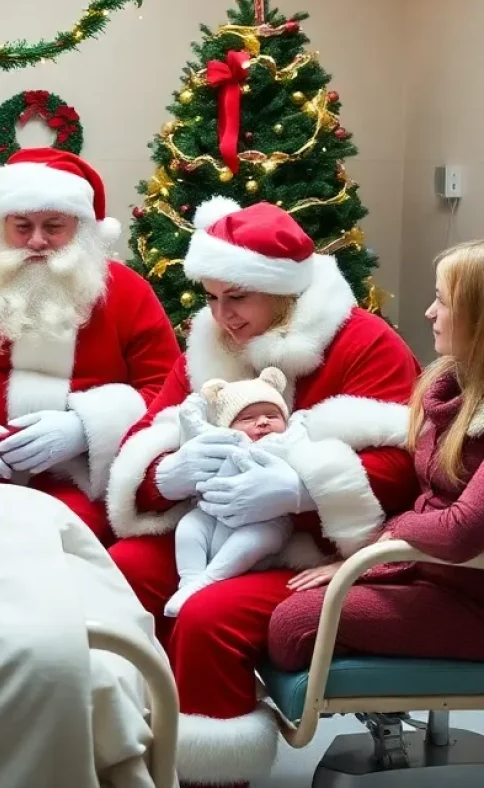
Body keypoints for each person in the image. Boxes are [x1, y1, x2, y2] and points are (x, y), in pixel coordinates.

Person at [105, 197, 419, 788]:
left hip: (321, 552)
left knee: (207, 616)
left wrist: (300, 490)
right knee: (115, 573)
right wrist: (167, 473)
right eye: (212, 297)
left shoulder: (364, 342)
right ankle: (128, 756)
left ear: (285, 291)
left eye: (238, 297)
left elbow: (405, 469)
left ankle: (208, 777)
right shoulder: (210, 344)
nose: (222, 316)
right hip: (213, 529)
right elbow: (143, 440)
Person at [0, 147, 180, 541]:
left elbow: (167, 390)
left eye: (54, 226)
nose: (37, 241)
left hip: (76, 477)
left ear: (80, 227)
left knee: (55, 545)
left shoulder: (127, 293)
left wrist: (86, 430)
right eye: (22, 226)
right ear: (3, 227)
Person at [270, 240, 484, 670]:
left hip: (469, 595)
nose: (428, 313)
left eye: (441, 301)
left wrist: (381, 545)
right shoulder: (448, 388)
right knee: (298, 602)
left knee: (294, 626)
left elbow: (462, 530)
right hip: (426, 571)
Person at [166, 367, 294, 618]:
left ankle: (207, 581)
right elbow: (191, 421)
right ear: (230, 426)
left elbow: (305, 432)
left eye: (272, 415)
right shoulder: (223, 441)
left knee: (252, 539)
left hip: (267, 521)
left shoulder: (286, 442)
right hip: (212, 515)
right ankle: (189, 579)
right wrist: (198, 401)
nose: (263, 422)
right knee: (188, 527)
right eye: (248, 419)